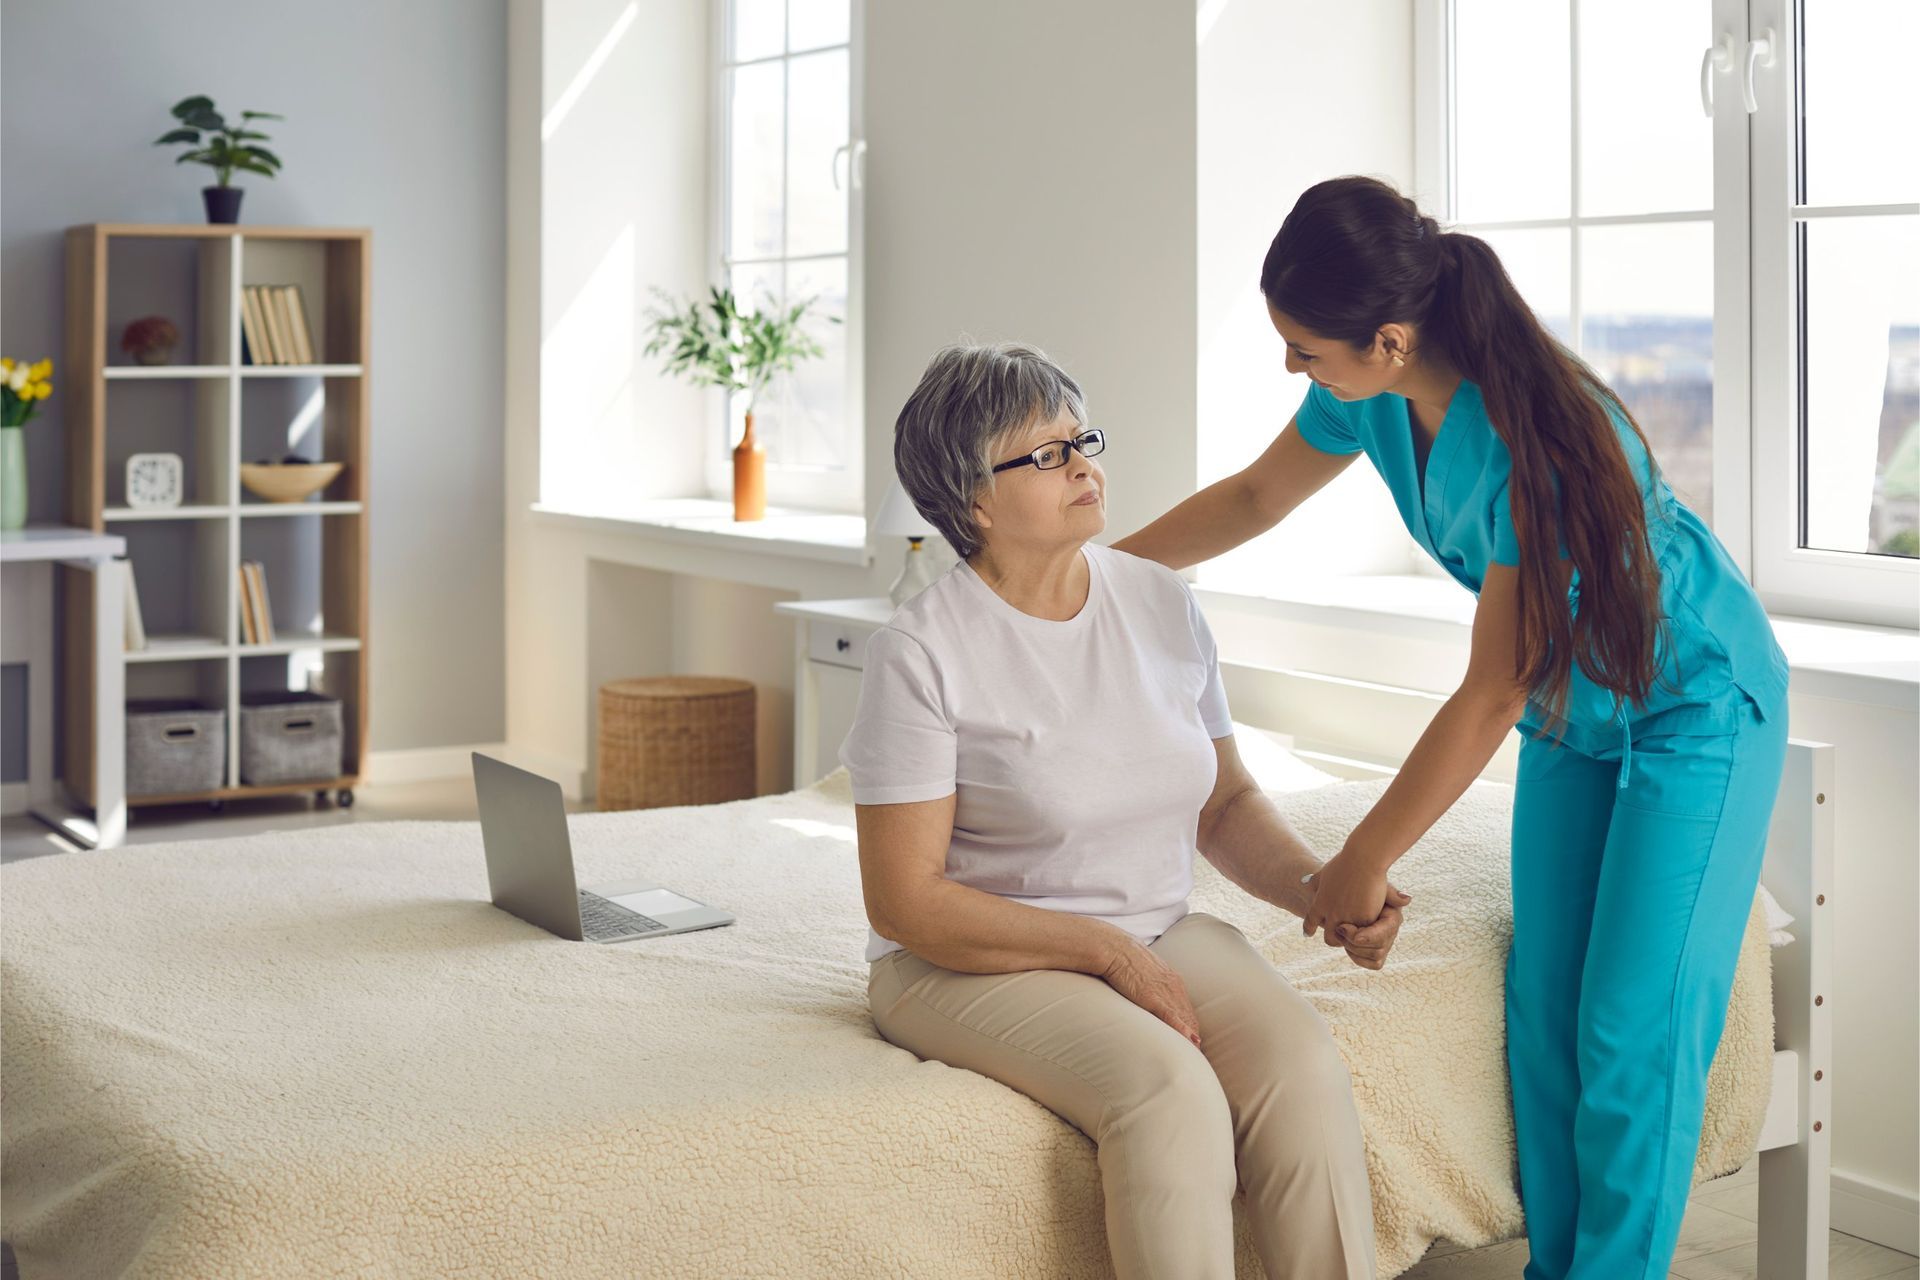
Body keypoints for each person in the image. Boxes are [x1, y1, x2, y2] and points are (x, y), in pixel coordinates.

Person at [1115, 176, 1790, 1280]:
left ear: (1388, 338)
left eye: (1305, 349)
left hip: (1694, 707)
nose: (1294, 368)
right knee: (1543, 1018)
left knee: (1631, 1030)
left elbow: (1489, 689)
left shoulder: (1552, 438)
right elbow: (1250, 500)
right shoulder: (1371, 395)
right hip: (1578, 714)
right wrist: (1095, 576)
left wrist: (1362, 859)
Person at [843, 340, 1396, 1279]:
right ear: (971, 500)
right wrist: (1103, 951)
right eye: (1046, 454)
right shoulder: (922, 653)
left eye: (1081, 438)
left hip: (1156, 928)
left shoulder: (1160, 602)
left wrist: (1320, 888)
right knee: (1170, 1090)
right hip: (963, 962)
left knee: (1300, 1066)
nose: (1084, 464)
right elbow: (905, 903)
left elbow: (1222, 806)